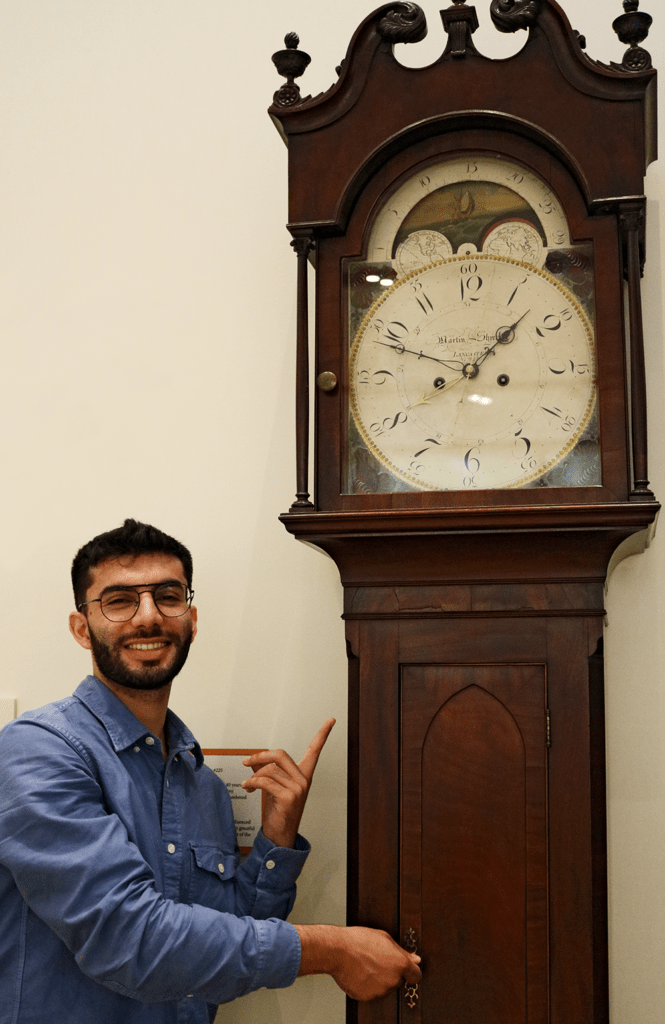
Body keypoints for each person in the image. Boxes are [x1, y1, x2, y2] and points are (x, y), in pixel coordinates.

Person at [0, 519, 420, 1023]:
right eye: (119, 601)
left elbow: (227, 939)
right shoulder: (39, 751)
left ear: (191, 619)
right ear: (80, 627)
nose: (148, 617)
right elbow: (130, 940)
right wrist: (332, 950)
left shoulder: (199, 782)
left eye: (168, 596)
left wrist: (276, 837)